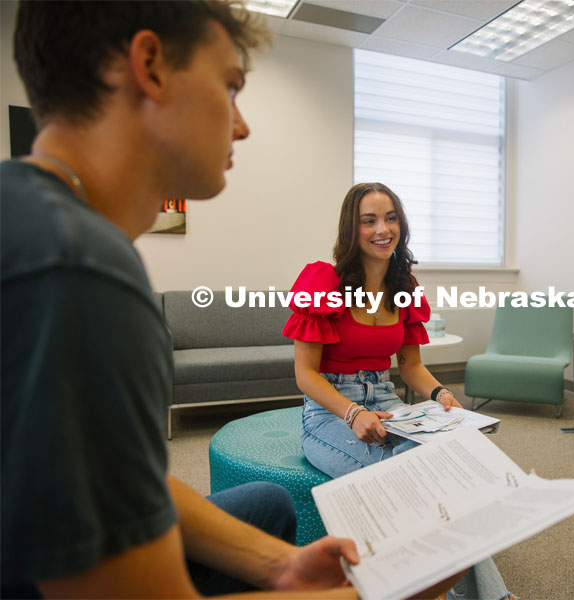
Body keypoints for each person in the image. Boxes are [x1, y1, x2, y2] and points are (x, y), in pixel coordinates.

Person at [0, 2, 363, 597]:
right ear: (150, 66)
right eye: (229, 86)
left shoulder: (33, 216)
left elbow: (109, 472)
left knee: (268, 507)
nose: (241, 125)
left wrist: (281, 566)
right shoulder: (83, 272)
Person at [284, 181, 512, 600]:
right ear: (351, 229)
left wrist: (441, 394)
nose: (381, 229)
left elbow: (410, 366)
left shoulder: (403, 286)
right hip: (330, 411)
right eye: (368, 220)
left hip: (388, 400)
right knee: (415, 476)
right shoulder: (323, 280)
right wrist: (353, 413)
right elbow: (305, 375)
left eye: (390, 218)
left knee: (447, 459)